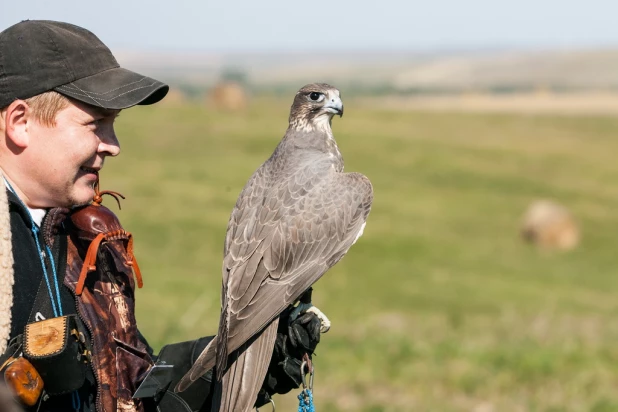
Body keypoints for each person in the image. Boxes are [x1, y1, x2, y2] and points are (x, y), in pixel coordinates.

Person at [0, 20, 321, 412]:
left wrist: (238, 355)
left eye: (113, 125)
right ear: (20, 123)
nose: (113, 146)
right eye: (95, 124)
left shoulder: (90, 236)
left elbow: (131, 389)